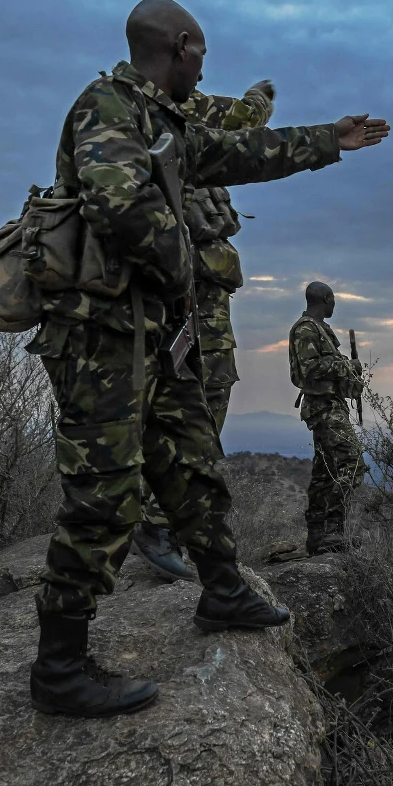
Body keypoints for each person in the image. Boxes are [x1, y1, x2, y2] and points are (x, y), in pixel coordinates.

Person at [27, 0, 390, 718]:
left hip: (151, 333)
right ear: (182, 45)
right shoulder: (106, 106)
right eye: (202, 57)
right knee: (104, 494)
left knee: (191, 457)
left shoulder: (163, 118)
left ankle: (222, 588)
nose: (204, 70)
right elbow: (120, 206)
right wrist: (185, 271)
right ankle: (60, 665)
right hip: (102, 337)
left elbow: (238, 153)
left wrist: (328, 139)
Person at [129, 79, 275, 583]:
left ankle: (170, 525)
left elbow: (244, 124)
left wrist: (259, 99)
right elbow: (244, 121)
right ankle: (155, 524)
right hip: (180, 303)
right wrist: (259, 98)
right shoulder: (144, 120)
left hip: (205, 303)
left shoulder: (189, 130)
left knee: (210, 397)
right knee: (188, 410)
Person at [287, 282, 366, 555]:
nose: (334, 306)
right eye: (333, 301)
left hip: (330, 405)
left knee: (325, 473)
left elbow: (325, 366)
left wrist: (350, 377)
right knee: (352, 461)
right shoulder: (306, 328)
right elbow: (309, 369)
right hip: (323, 407)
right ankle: (333, 530)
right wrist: (347, 365)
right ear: (326, 299)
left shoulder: (320, 329)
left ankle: (318, 537)